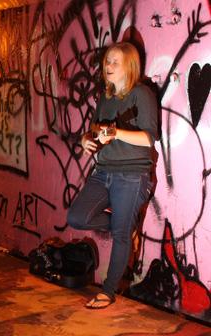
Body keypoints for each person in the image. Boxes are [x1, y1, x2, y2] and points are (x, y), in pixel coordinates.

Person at [66, 42, 159, 309]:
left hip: (131, 174)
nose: (108, 66)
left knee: (119, 236)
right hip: (103, 171)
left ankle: (108, 291)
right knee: (77, 216)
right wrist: (86, 140)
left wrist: (117, 133)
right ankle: (125, 227)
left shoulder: (142, 94)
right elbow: (94, 131)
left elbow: (148, 138)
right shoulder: (104, 98)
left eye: (115, 62)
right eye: (107, 61)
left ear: (129, 65)